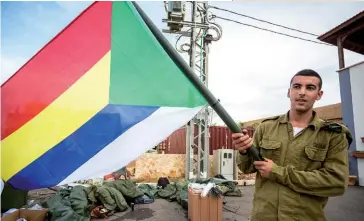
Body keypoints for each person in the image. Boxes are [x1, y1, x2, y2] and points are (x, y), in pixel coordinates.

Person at [232, 69, 352, 221]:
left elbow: (336, 183)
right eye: (297, 86)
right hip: (263, 217)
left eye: (310, 88)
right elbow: (247, 168)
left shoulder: (332, 134)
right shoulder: (266, 128)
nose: (302, 92)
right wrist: (243, 151)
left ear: (319, 95)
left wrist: (277, 172)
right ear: (289, 92)